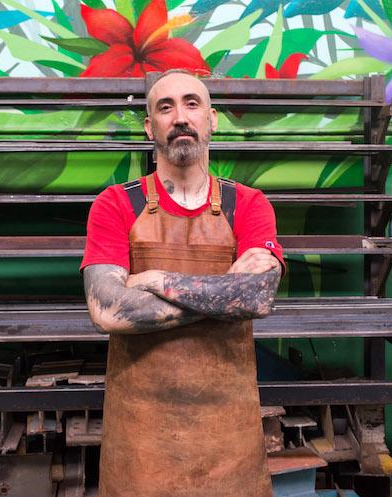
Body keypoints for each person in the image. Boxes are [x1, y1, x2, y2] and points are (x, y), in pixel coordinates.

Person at [81, 69, 283, 497]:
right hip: (140, 439)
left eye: (192, 103)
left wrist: (154, 279)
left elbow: (258, 296)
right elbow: (107, 310)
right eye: (165, 107)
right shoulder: (115, 203)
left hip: (229, 436)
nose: (180, 116)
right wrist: (223, 292)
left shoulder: (248, 204)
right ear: (150, 126)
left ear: (211, 119)